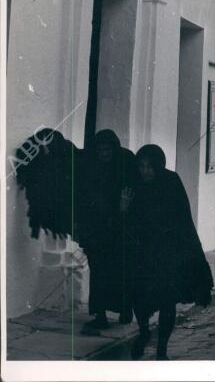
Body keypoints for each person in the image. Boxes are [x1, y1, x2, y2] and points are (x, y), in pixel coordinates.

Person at [123, 144, 214, 360]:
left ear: (159, 166)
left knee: (167, 300)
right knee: (139, 297)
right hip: (142, 253)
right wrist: (124, 206)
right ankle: (144, 332)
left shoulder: (171, 182)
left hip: (167, 253)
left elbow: (181, 219)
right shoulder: (135, 184)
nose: (145, 171)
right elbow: (126, 222)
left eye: (150, 167)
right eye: (142, 166)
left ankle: (162, 349)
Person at [78, 129, 136, 334]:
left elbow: (131, 192)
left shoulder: (125, 164)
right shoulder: (91, 168)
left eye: (107, 150)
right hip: (97, 229)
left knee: (122, 270)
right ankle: (100, 315)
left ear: (114, 149)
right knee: (99, 272)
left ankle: (125, 310)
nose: (103, 154)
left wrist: (123, 208)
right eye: (100, 150)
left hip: (120, 227)